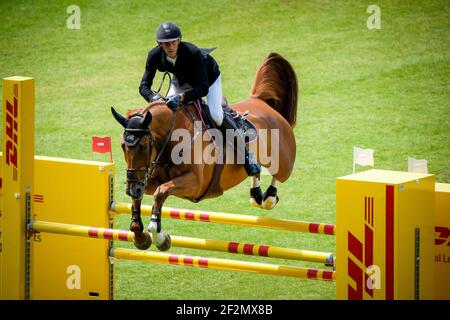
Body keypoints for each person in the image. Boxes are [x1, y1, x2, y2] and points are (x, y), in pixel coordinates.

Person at [139, 21, 260, 177]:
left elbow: (202, 88)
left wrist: (182, 97)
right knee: (166, 113)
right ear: (159, 44)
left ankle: (247, 156)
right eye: (166, 43)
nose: (170, 46)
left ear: (179, 41)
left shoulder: (193, 53)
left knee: (216, 115)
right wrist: (154, 97)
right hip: (181, 81)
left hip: (208, 79)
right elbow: (143, 87)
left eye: (174, 42)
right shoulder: (154, 55)